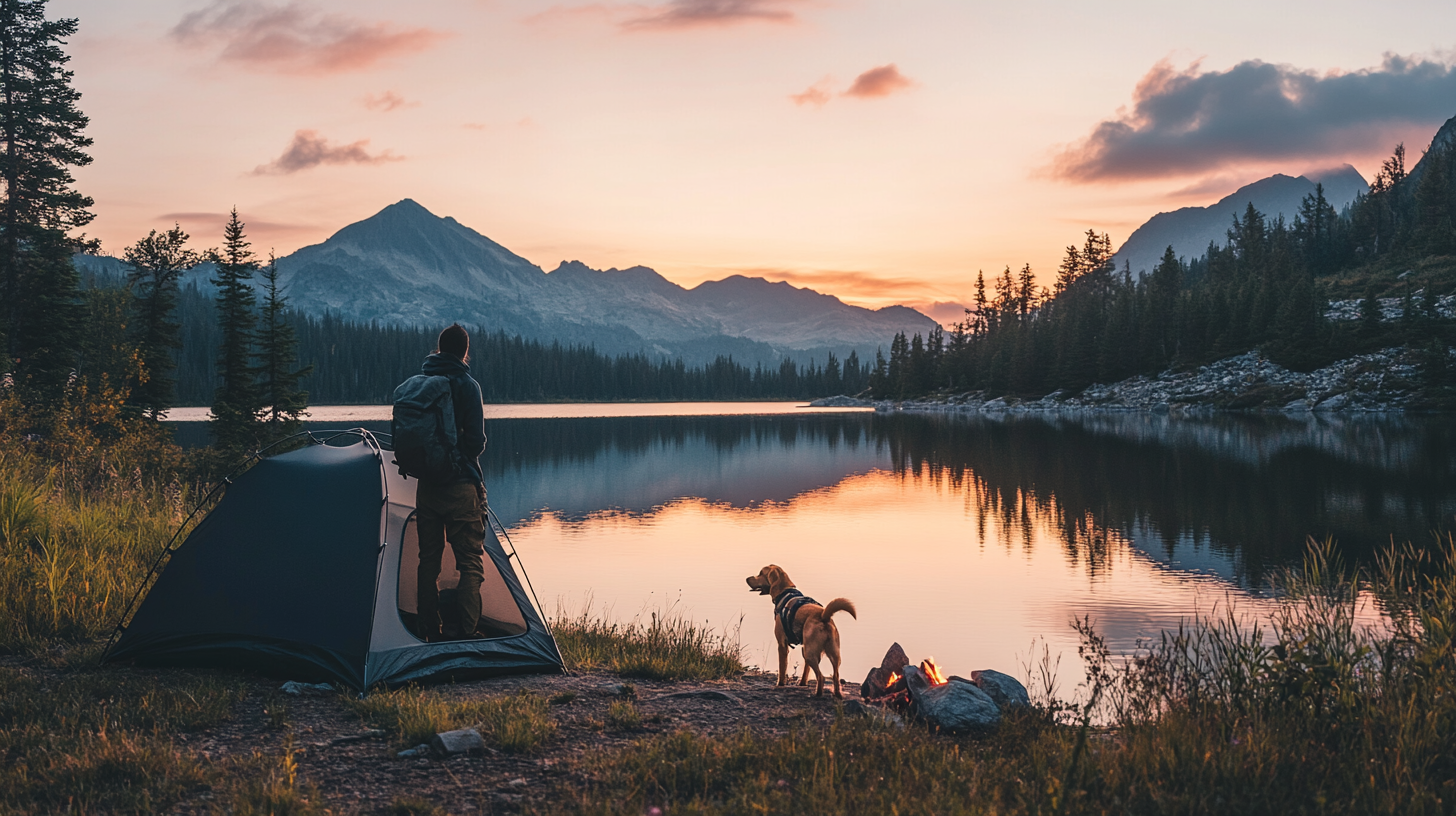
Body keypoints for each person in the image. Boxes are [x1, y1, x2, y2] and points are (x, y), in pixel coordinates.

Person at [414, 323, 488, 641]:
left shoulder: (422, 383)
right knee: (470, 562)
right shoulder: (467, 385)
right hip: (460, 486)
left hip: (427, 487)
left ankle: (429, 629)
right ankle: (468, 632)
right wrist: (460, 459)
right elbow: (476, 442)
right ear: (464, 351)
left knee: (428, 561)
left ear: (439, 348)